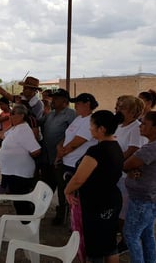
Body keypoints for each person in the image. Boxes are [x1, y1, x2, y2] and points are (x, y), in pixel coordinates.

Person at [64, 110, 123, 263]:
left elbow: (78, 178)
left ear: (101, 129)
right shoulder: (116, 146)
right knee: (109, 243)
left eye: (91, 126)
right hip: (112, 199)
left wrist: (67, 190)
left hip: (97, 202)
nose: (90, 129)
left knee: (95, 247)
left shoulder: (97, 151)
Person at [123, 111, 156, 263]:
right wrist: (131, 169)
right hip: (151, 198)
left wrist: (129, 169)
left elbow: (126, 164)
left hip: (144, 201)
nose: (140, 126)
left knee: (131, 235)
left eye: (144, 124)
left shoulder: (153, 148)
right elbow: (131, 166)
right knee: (146, 233)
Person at [53, 93, 99, 225]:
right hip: (67, 161)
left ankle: (76, 223)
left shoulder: (90, 120)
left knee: (76, 194)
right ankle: (68, 217)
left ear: (87, 104)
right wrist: (59, 146)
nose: (75, 106)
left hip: (77, 164)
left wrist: (61, 153)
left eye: (78, 103)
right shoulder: (78, 118)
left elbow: (77, 142)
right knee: (65, 191)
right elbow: (68, 136)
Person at [0, 104, 41, 215]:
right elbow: (3, 135)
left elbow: (36, 151)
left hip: (20, 173)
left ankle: (26, 223)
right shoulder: (16, 127)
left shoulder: (24, 130)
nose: (10, 116)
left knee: (21, 201)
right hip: (13, 172)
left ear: (21, 115)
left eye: (13, 114)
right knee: (17, 201)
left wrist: (22, 157)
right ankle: (24, 221)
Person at [113, 95, 147, 254]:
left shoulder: (136, 128)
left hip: (126, 176)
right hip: (117, 173)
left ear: (133, 112)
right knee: (118, 207)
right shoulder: (119, 125)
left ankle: (126, 241)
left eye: (121, 107)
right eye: (117, 106)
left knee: (124, 211)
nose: (117, 109)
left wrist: (116, 162)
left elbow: (133, 150)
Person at [38, 88, 76, 192]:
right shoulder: (50, 114)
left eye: (56, 98)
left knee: (62, 186)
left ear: (65, 101)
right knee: (46, 185)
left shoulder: (71, 114)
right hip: (47, 157)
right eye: (52, 98)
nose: (52, 101)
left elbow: (73, 134)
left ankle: (62, 207)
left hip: (61, 158)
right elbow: (37, 123)